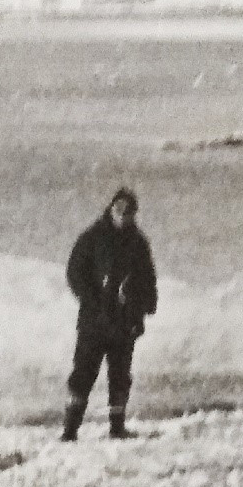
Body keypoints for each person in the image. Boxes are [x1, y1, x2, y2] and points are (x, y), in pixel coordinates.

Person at [62, 186, 158, 442]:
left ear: (134, 214)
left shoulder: (138, 243)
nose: (123, 215)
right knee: (83, 373)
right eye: (119, 209)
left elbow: (147, 278)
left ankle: (117, 427)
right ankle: (70, 430)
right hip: (94, 322)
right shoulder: (92, 237)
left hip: (124, 322)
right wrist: (93, 300)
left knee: (120, 376)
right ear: (111, 209)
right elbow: (74, 272)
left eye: (128, 211)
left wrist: (145, 307)